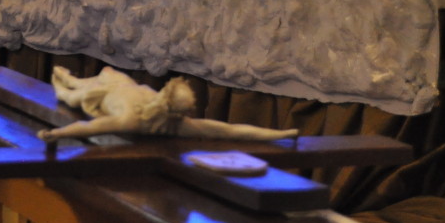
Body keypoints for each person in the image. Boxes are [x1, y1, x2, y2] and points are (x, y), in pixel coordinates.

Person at [38, 66, 299, 142]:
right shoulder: (133, 119)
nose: (190, 114)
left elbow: (228, 131)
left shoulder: (176, 124)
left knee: (75, 92)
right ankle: (64, 79)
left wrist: (280, 135)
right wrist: (57, 134)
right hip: (113, 88)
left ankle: (65, 79)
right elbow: (90, 128)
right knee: (71, 92)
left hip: (112, 89)